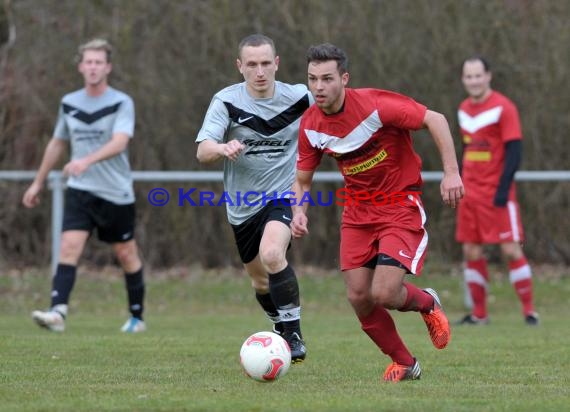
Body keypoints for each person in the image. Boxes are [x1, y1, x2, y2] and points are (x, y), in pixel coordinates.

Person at [291, 43, 464, 382]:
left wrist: (452, 172)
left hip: (399, 204)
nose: (319, 87)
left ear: (344, 78)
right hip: (357, 212)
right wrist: (299, 211)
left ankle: (427, 302)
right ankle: (406, 363)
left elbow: (436, 119)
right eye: (312, 79)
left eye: (327, 79)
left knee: (383, 293)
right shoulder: (310, 125)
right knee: (358, 296)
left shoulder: (375, 105)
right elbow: (302, 180)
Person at [195, 34, 312, 363]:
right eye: (251, 64)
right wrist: (221, 147)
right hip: (243, 204)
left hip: (283, 195)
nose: (259, 71)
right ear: (240, 67)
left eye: (265, 63)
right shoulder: (226, 101)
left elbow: (337, 112)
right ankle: (279, 323)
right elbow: (203, 150)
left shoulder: (300, 98)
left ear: (276, 63)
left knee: (273, 253)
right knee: (260, 280)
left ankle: (293, 335)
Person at [22, 39, 146, 333]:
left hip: (116, 192)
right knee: (68, 247)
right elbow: (57, 142)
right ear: (80, 66)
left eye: (98, 62)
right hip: (81, 190)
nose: (93, 67)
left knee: (126, 254)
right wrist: (38, 182)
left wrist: (85, 160)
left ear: (108, 67)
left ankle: (137, 317)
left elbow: (120, 141)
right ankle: (58, 313)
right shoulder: (69, 103)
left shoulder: (121, 102)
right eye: (88, 62)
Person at [456, 56, 538, 326]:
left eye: (478, 75)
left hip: (497, 192)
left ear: (488, 76)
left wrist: (503, 189)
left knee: (511, 250)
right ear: (463, 80)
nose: (474, 81)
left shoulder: (504, 107)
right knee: (471, 251)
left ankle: (529, 312)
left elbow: (515, 152)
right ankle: (480, 315)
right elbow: (468, 149)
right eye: (469, 77)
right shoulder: (463, 109)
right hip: (470, 194)